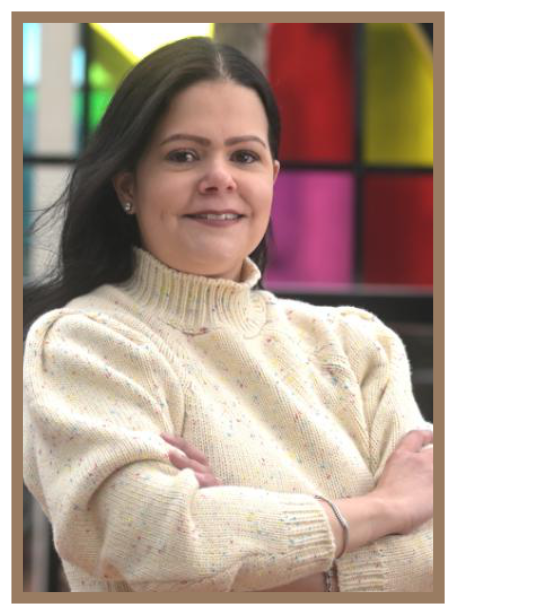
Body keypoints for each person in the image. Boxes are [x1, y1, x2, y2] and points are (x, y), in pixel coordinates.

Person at [23, 36, 433, 592]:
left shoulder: (358, 345)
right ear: (128, 186)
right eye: (183, 155)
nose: (220, 178)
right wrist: (386, 508)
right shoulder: (83, 345)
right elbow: (158, 543)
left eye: (244, 156)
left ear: (272, 178)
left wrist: (241, 553)